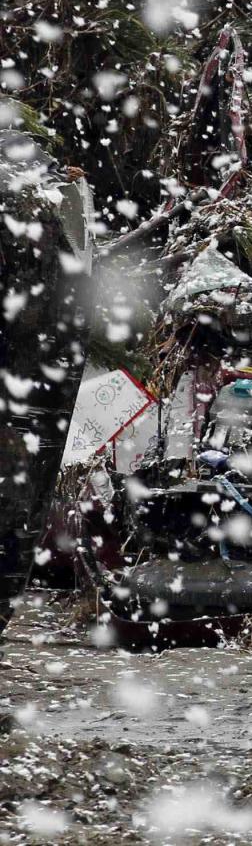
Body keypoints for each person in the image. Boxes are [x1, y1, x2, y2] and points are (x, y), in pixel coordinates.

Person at [0, 124, 92, 640]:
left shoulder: (30, 229)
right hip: (33, 402)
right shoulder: (44, 228)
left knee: (14, 518)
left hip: (27, 398)